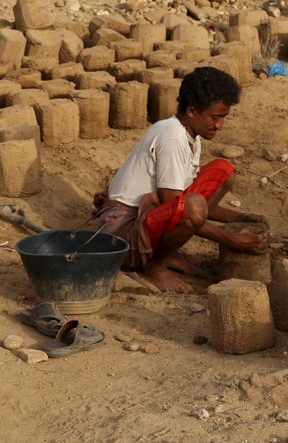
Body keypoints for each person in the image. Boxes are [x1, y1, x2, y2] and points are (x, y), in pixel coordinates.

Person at [94, 66, 266, 292]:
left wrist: (243, 217)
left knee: (223, 171)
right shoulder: (172, 137)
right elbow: (183, 208)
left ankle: (167, 253)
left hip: (147, 219)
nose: (220, 126)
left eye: (223, 118)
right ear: (192, 111)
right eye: (215, 118)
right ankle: (154, 267)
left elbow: (189, 203)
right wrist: (230, 239)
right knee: (191, 207)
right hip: (121, 238)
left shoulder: (190, 133)